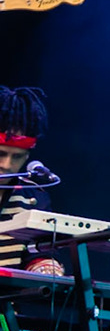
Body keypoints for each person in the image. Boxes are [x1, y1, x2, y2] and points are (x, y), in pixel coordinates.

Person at [0, 87, 63, 277]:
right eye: (1, 154)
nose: (7, 165)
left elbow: (40, 252)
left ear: (27, 156)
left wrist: (46, 267)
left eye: (17, 157)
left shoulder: (32, 198)